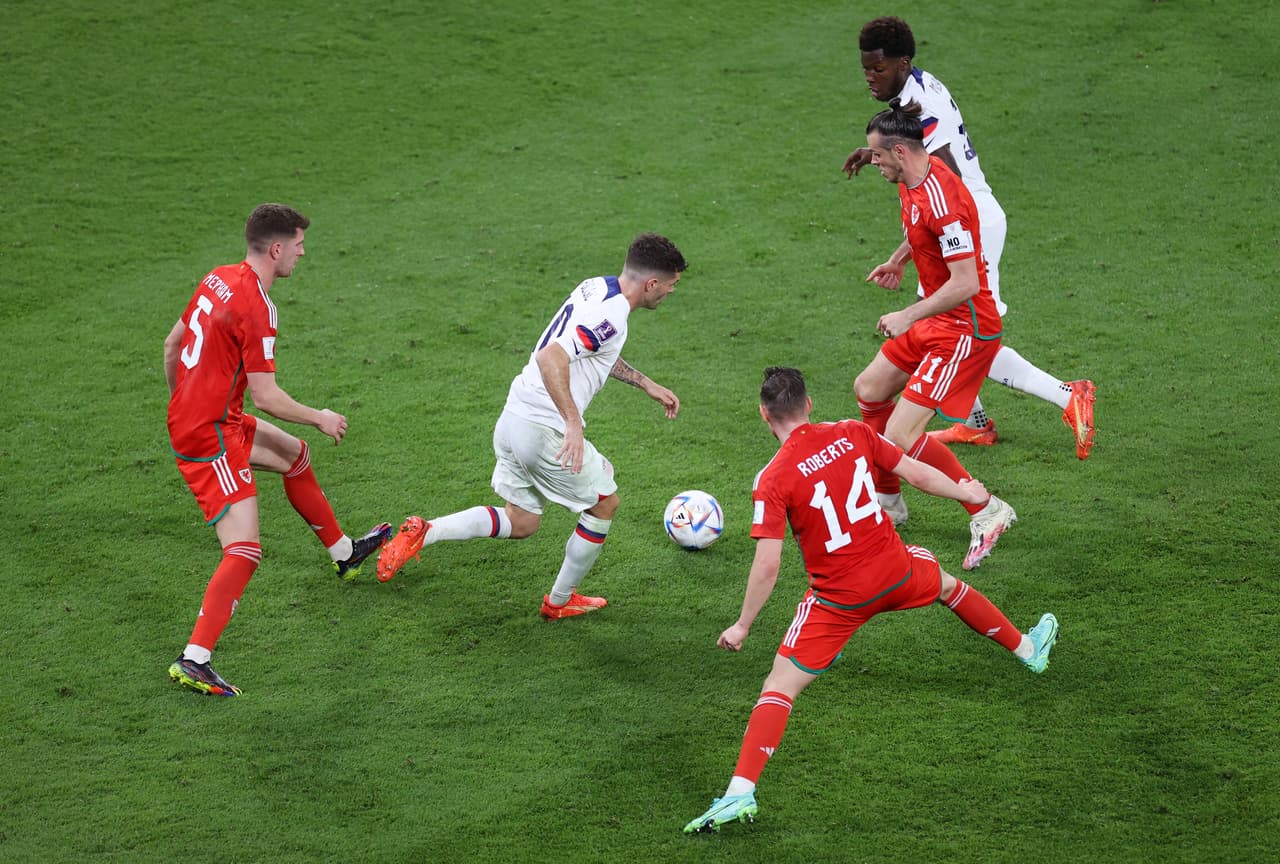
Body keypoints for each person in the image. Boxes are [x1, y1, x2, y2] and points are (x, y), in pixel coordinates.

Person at [683, 367, 1059, 834]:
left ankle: (739, 792)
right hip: (895, 571)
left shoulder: (772, 478)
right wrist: (965, 491)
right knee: (945, 585)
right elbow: (917, 473)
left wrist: (742, 626)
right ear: (810, 404)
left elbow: (767, 566)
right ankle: (1027, 648)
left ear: (765, 415)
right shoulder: (853, 431)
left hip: (838, 600)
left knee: (779, 688)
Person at [376, 233, 687, 618]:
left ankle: (426, 531)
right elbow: (551, 357)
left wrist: (645, 383)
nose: (671, 293)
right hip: (544, 429)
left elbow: (594, 352)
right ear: (651, 283)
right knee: (605, 503)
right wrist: (573, 423)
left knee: (521, 521)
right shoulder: (614, 314)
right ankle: (559, 601)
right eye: (671, 286)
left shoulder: (596, 287)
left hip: (513, 418)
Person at [163, 203, 392, 697]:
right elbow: (267, 395)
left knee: (295, 457)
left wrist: (182, 402)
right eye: (299, 244)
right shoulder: (257, 305)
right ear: (276, 248)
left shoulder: (218, 277)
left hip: (210, 418)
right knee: (244, 549)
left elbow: (172, 344)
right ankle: (194, 658)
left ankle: (345, 553)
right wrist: (321, 415)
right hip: (210, 437)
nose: (303, 253)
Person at [843, 16, 1096, 460]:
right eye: (865, 68)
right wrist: (874, 155)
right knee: (943, 331)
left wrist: (906, 252)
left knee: (970, 333)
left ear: (902, 63)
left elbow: (946, 187)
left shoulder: (919, 107)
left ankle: (1068, 394)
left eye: (877, 68)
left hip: (969, 224)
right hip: (958, 223)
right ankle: (976, 424)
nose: (869, 77)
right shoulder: (914, 90)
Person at [853, 99, 1016, 569]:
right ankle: (889, 501)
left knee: (902, 434)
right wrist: (899, 260)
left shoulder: (942, 201)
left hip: (966, 329)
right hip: (938, 320)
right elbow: (918, 225)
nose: (874, 163)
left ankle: (986, 509)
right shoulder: (913, 176)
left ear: (901, 152)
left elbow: (965, 283)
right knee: (869, 389)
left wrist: (907, 314)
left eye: (878, 156)